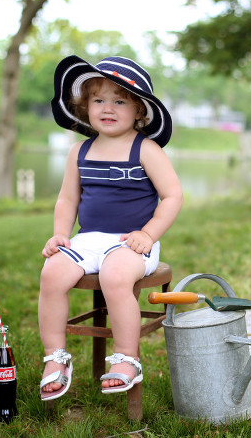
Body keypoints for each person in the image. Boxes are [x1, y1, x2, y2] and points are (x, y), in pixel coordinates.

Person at [38, 55, 183, 400]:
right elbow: (67, 200)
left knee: (115, 275)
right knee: (51, 273)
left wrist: (148, 234)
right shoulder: (80, 151)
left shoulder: (145, 149)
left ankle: (126, 358)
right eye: (98, 100)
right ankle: (56, 357)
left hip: (132, 242)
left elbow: (172, 195)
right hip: (87, 239)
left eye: (120, 101)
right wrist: (61, 233)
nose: (108, 108)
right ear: (85, 106)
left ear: (139, 111)